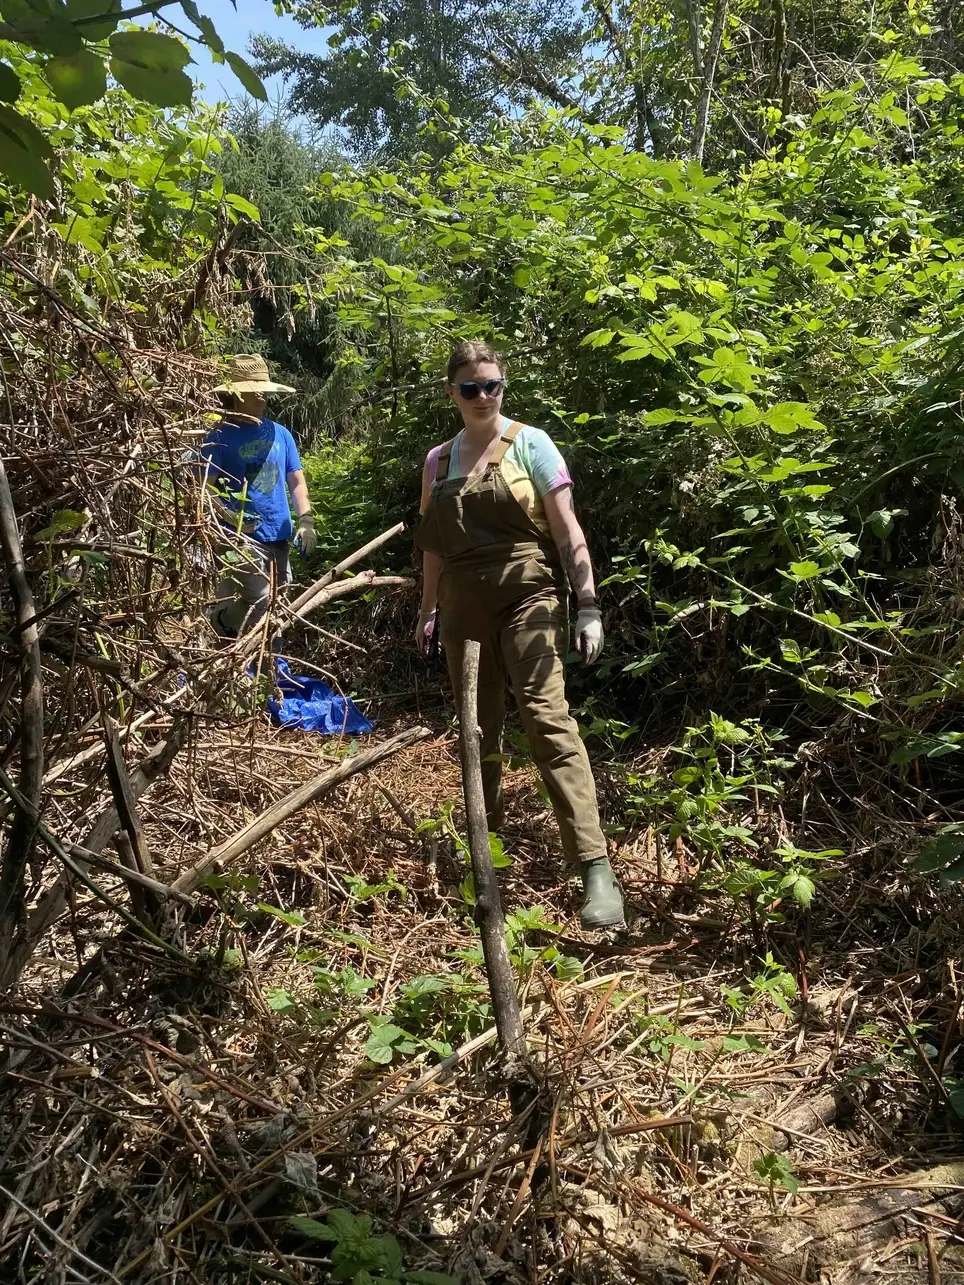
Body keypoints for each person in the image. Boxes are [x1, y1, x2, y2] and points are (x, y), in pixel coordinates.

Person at [414, 340, 624, 929]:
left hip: (528, 597)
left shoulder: (532, 444)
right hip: (462, 609)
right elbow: (433, 546)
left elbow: (568, 530)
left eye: (493, 385)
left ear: (503, 387)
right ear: (452, 393)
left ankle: (594, 867)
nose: (484, 396)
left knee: (546, 719)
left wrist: (588, 604)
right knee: (477, 730)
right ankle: (487, 854)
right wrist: (428, 610)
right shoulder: (437, 461)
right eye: (471, 388)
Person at [200, 354, 316, 638]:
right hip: (237, 538)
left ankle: (268, 659)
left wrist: (306, 520)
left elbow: (296, 481)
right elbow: (202, 488)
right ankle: (229, 631)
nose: (261, 396)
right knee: (262, 599)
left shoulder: (280, 434)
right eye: (253, 391)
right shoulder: (219, 436)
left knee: (281, 601)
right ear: (236, 394)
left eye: (263, 390)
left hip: (278, 534)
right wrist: (230, 516)